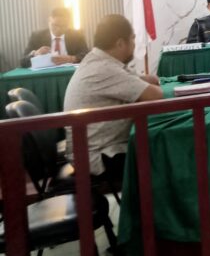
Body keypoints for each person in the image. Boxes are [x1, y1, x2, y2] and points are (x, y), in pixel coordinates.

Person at [63, 14, 163, 180]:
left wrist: (144, 80)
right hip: (98, 156)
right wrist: (149, 83)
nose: (135, 44)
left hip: (92, 148)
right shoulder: (104, 68)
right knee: (163, 152)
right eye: (133, 38)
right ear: (120, 43)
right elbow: (156, 95)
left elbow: (146, 81)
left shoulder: (98, 60)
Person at [21, 7, 89, 68]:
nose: (58, 29)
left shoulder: (77, 36)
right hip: (45, 74)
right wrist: (35, 54)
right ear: (49, 21)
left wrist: (71, 59)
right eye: (55, 25)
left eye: (63, 26)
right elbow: (23, 62)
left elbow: (87, 56)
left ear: (68, 24)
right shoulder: (37, 37)